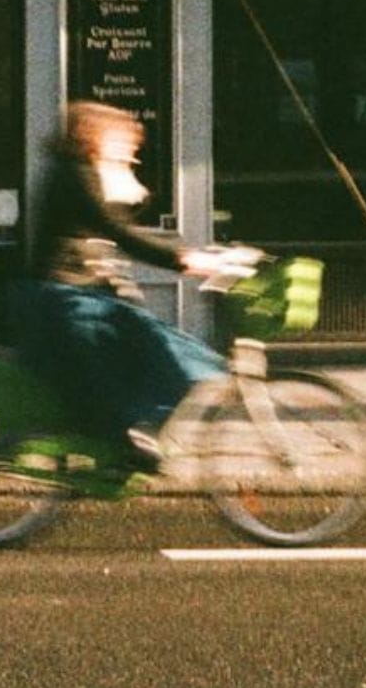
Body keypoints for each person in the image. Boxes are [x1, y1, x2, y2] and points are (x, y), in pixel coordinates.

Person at [13, 100, 233, 473]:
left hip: (80, 290)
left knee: (161, 344)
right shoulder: (75, 174)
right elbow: (115, 230)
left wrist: (126, 176)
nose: (132, 151)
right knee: (158, 346)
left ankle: (127, 437)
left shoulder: (85, 171)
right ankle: (123, 437)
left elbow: (117, 220)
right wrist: (184, 260)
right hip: (64, 296)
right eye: (124, 143)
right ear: (95, 138)